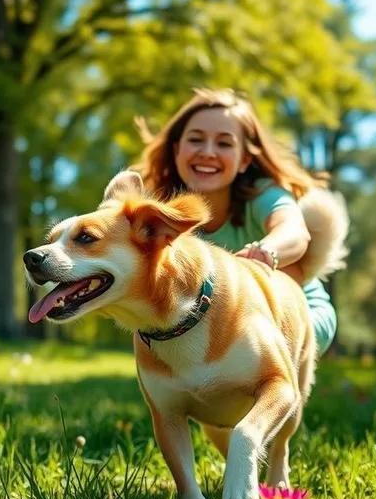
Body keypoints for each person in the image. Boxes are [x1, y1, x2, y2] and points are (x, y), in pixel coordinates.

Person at [131, 87, 337, 354]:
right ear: (177, 150)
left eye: (224, 143)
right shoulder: (163, 219)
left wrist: (264, 254)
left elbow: (295, 231)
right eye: (196, 140)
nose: (208, 151)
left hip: (301, 317)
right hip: (219, 330)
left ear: (244, 160)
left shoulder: (262, 195)